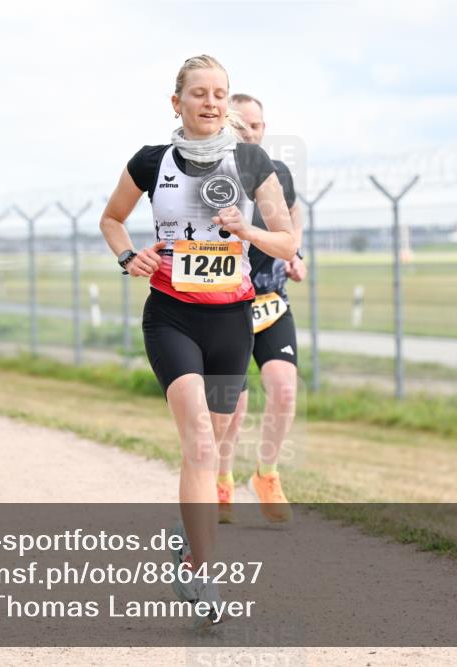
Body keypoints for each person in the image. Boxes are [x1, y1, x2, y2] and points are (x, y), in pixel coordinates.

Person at [99, 55, 294, 628]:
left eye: (219, 93)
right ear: (176, 102)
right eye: (199, 93)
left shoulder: (254, 162)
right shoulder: (150, 161)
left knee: (220, 434)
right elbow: (112, 219)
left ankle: (188, 546)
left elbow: (286, 243)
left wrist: (246, 229)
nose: (210, 103)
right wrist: (127, 254)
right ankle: (202, 574)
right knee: (202, 447)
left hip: (233, 321)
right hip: (172, 317)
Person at [216, 94, 304, 524]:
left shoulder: (277, 172)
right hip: (228, 303)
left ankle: (266, 474)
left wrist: (295, 253)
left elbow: (292, 211)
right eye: (242, 126)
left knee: (285, 388)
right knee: (233, 407)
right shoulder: (215, 175)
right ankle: (220, 479)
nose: (251, 133)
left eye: (257, 125)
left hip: (270, 299)